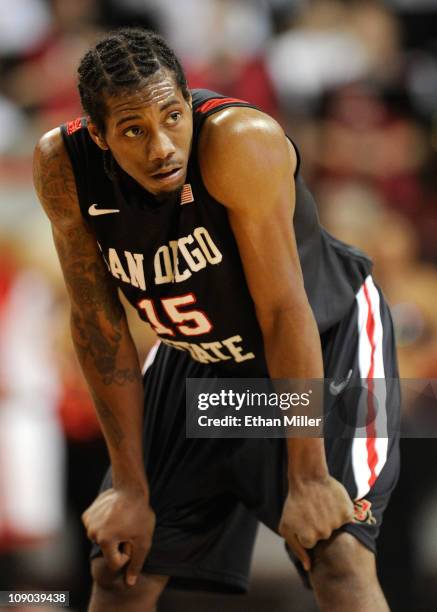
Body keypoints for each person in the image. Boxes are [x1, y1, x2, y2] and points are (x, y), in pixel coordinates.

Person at [33, 27, 400, 612]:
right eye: (133, 130)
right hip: (203, 358)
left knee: (336, 555)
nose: (161, 147)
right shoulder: (63, 167)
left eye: (172, 117)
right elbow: (98, 325)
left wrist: (307, 476)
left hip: (324, 344)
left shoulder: (240, 141)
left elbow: (283, 309)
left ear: (189, 101)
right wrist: (129, 485)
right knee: (120, 567)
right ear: (98, 136)